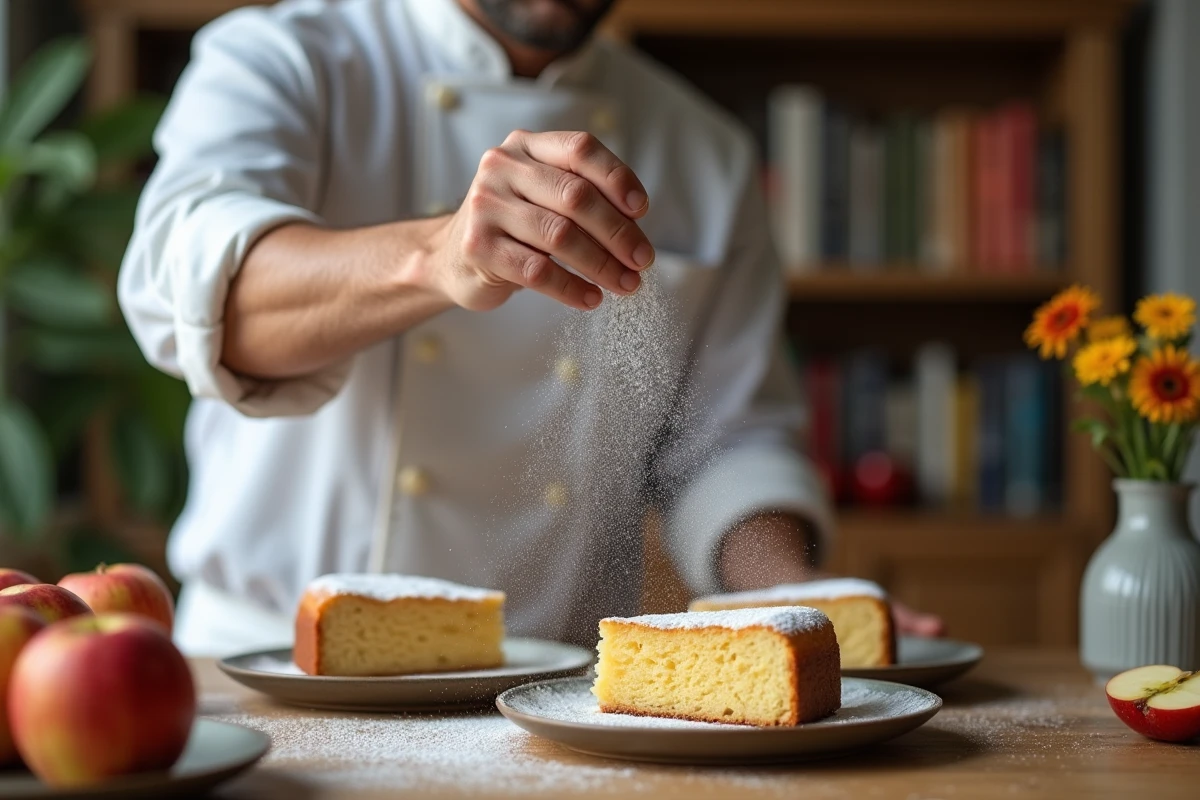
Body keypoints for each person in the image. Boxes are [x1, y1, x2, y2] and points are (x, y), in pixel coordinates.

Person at [119, 0, 943, 655]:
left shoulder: (705, 153)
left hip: (550, 696)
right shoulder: (282, 59)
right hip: (273, 670)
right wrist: (437, 257)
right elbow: (194, 298)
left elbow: (728, 448)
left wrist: (781, 592)